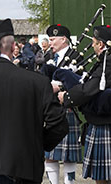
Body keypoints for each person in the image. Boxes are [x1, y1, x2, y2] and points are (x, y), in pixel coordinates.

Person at [0, 18, 69, 184]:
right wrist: (35, 144)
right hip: (24, 169)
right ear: (13, 46)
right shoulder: (38, 82)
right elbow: (59, 124)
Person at [58, 25, 111, 184]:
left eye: (94, 43)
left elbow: (89, 90)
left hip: (104, 123)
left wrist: (66, 97)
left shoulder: (107, 62)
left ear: (101, 45)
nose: (93, 47)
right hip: (103, 121)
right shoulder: (104, 60)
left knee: (103, 178)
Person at [44, 24, 82, 184]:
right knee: (50, 155)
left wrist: (60, 87)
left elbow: (80, 83)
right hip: (50, 108)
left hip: (67, 107)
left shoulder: (77, 57)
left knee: (68, 156)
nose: (50, 43)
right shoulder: (48, 57)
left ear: (63, 39)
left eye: (53, 40)